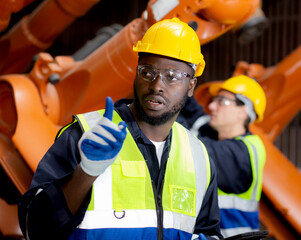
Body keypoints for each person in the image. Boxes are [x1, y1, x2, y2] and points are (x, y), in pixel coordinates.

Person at [18, 18, 222, 240]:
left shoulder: (197, 155)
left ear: (191, 85)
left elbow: (207, 231)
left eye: (172, 76)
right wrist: (87, 171)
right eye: (147, 72)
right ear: (136, 74)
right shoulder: (85, 135)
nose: (156, 85)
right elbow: (34, 229)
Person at [177, 75, 267, 237]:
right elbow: (193, 114)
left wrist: (164, 110)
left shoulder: (241, 153)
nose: (211, 106)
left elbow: (189, 144)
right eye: (214, 100)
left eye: (222, 101)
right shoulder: (216, 134)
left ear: (243, 111)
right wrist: (181, 79)